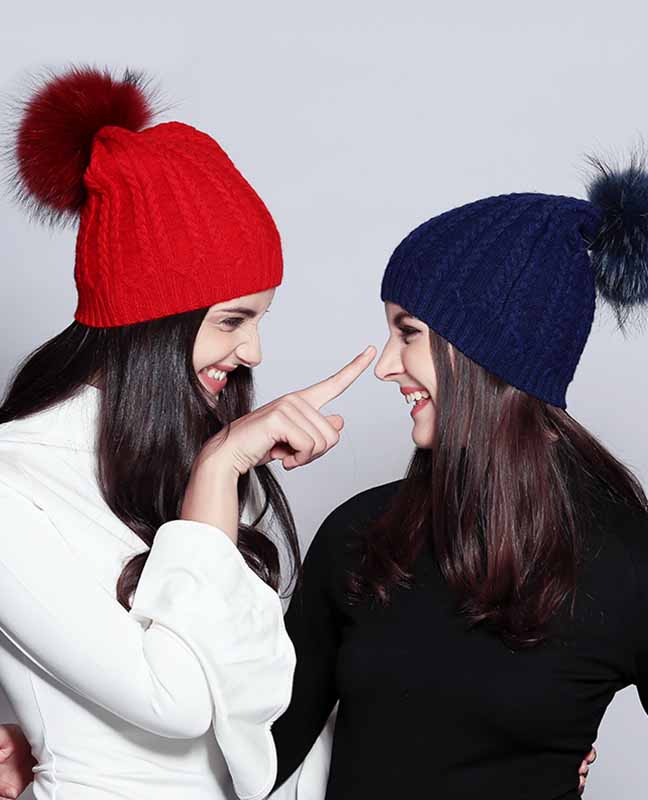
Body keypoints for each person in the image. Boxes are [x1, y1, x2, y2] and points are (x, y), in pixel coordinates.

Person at [0, 65, 374, 800]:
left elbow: (258, 718)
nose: (253, 352)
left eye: (259, 319)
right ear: (149, 321)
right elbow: (176, 703)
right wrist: (218, 471)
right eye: (233, 320)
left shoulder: (198, 461)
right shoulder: (14, 484)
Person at [267, 166, 647, 798]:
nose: (386, 366)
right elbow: (254, 759)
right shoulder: (362, 536)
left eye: (408, 332)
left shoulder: (626, 558)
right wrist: (224, 470)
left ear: (487, 351)